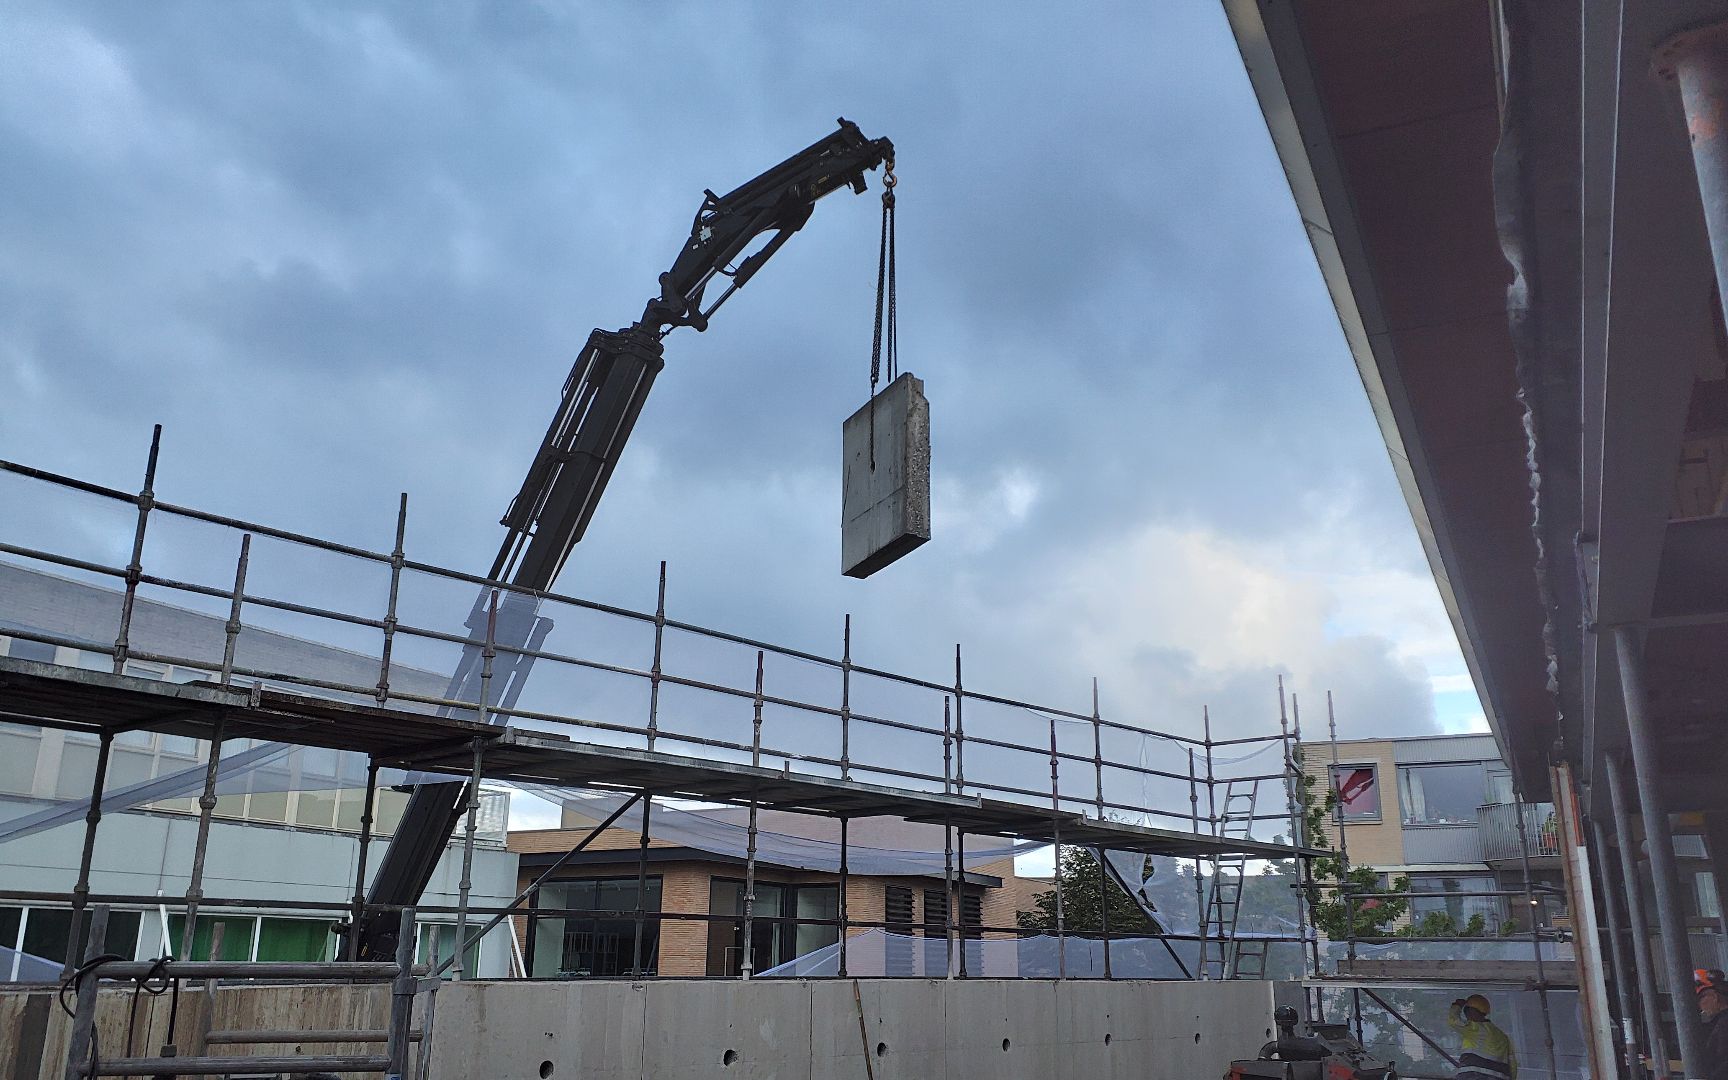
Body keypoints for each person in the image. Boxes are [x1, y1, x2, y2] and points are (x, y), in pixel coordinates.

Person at [1449, 993, 1517, 1080]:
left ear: (1471, 1011)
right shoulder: (1503, 1036)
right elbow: (1512, 1065)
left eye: (1466, 1011)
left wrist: (1457, 1006)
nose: (1467, 1016)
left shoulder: (1475, 1028)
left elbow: (1454, 1021)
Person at [1697, 969, 1728, 1080]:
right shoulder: (1719, 1023)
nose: (1699, 1005)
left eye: (1699, 999)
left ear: (1714, 997)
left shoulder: (1724, 1024)